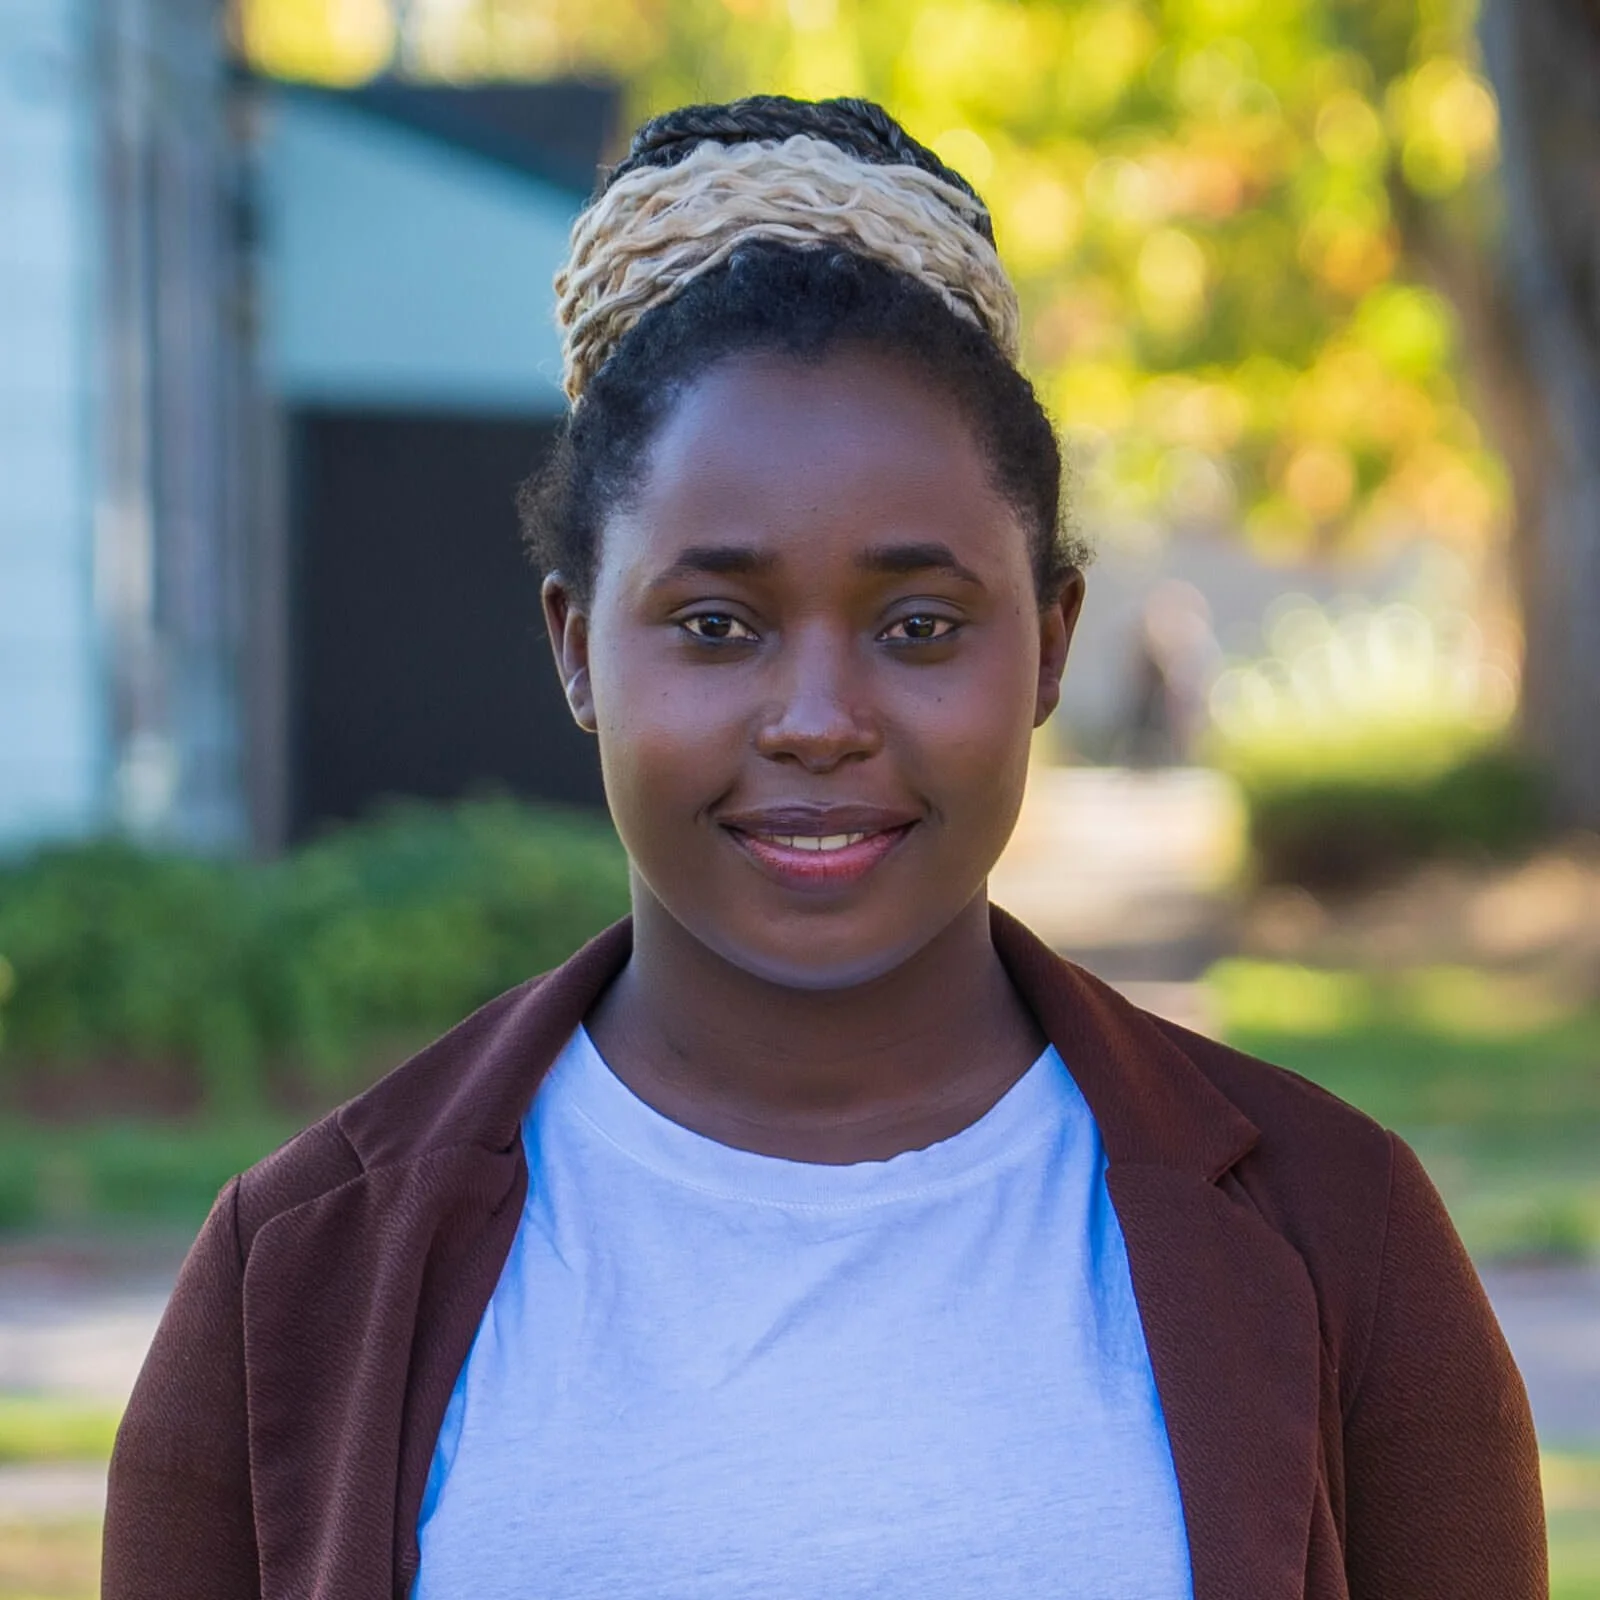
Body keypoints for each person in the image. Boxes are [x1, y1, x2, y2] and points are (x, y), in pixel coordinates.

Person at [103, 95, 1546, 1600]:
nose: (816, 719)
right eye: (715, 625)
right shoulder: (302, 1275)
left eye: (918, 626)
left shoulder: (1339, 1236)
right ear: (575, 647)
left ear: (1051, 642)